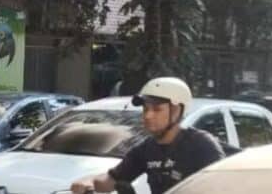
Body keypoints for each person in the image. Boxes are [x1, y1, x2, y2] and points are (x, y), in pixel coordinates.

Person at [70, 77, 224, 194]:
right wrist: (88, 181)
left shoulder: (201, 145)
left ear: (177, 111)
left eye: (156, 109)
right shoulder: (146, 149)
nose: (148, 116)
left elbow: (227, 185)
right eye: (145, 109)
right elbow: (112, 179)